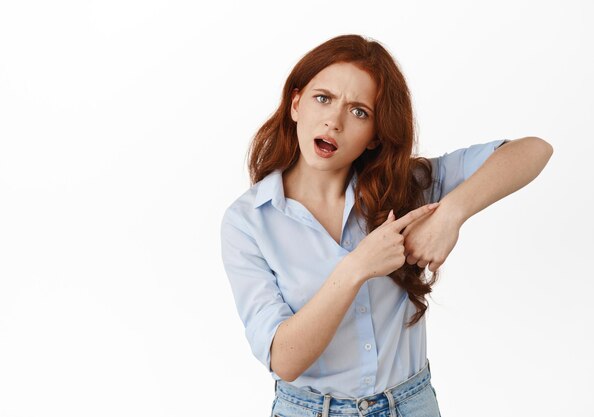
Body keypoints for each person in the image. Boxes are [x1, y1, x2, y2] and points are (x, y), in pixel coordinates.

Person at [220, 34, 553, 417]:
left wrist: (451, 213)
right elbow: (284, 360)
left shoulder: (404, 187)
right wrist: (358, 267)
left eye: (358, 111)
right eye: (323, 98)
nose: (334, 120)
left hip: (411, 405)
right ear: (296, 103)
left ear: (376, 136)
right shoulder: (248, 222)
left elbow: (534, 149)